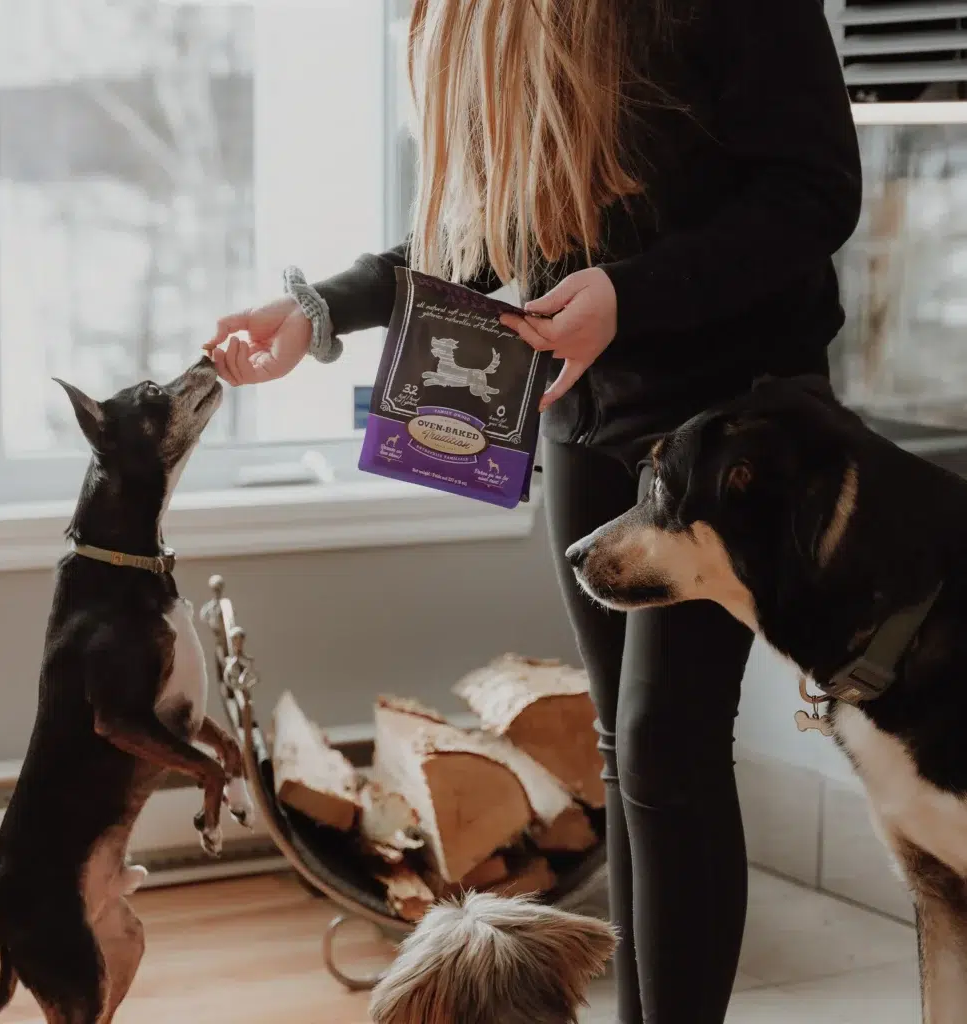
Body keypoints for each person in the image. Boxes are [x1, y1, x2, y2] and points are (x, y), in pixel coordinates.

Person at [204, 1, 862, 1020]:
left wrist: (629, 296)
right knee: (624, 746)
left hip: (729, 429)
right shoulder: (491, 15)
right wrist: (317, 310)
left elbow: (815, 192)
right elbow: (481, 230)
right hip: (585, 413)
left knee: (663, 745)